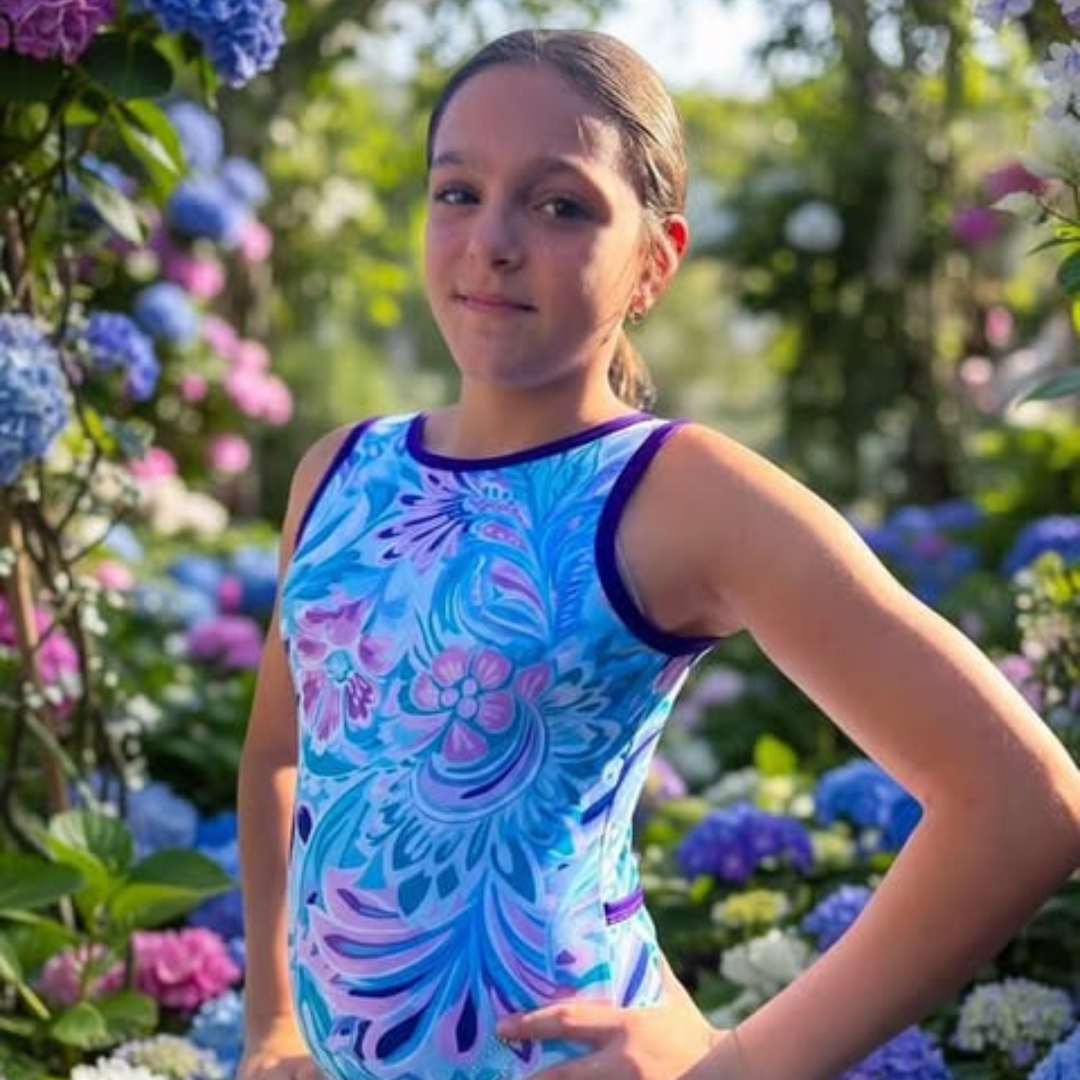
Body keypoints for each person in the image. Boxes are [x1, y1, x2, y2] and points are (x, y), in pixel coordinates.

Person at [236, 27, 1080, 1080]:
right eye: (458, 191)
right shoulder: (339, 474)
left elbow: (1020, 803)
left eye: (561, 205)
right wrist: (272, 1025)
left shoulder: (681, 493)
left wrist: (738, 1069)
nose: (493, 241)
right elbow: (283, 755)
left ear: (656, 259)